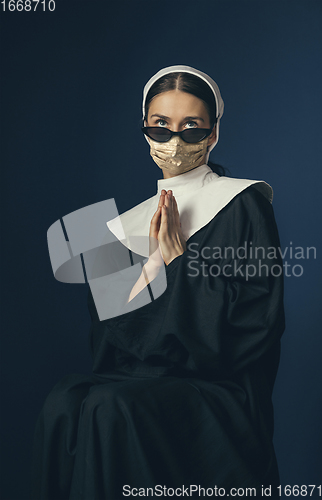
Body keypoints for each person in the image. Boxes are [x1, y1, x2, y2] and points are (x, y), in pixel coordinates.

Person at [31, 65, 285, 499]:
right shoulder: (123, 224)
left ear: (213, 133)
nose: (174, 140)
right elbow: (110, 346)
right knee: (65, 402)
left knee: (110, 408)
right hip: (138, 376)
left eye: (191, 127)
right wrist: (150, 269)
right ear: (145, 130)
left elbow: (256, 325)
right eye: (161, 126)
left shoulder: (244, 204)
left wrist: (176, 260)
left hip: (217, 390)